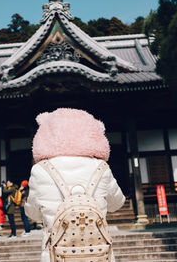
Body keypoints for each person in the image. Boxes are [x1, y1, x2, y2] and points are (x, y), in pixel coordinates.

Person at [25, 108, 125, 262]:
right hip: (98, 253)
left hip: (57, 255)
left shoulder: (40, 170)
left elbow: (32, 213)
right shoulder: (102, 168)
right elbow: (117, 203)